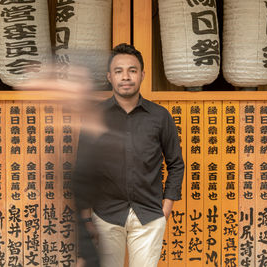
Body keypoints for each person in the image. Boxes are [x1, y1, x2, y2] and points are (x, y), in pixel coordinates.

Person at [73, 43, 185, 267]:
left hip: (149, 215)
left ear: (142, 74)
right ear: (109, 77)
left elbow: (176, 163)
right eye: (118, 71)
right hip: (106, 215)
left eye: (132, 70)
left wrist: (166, 208)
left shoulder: (160, 116)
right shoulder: (95, 116)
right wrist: (86, 216)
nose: (126, 77)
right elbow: (84, 168)